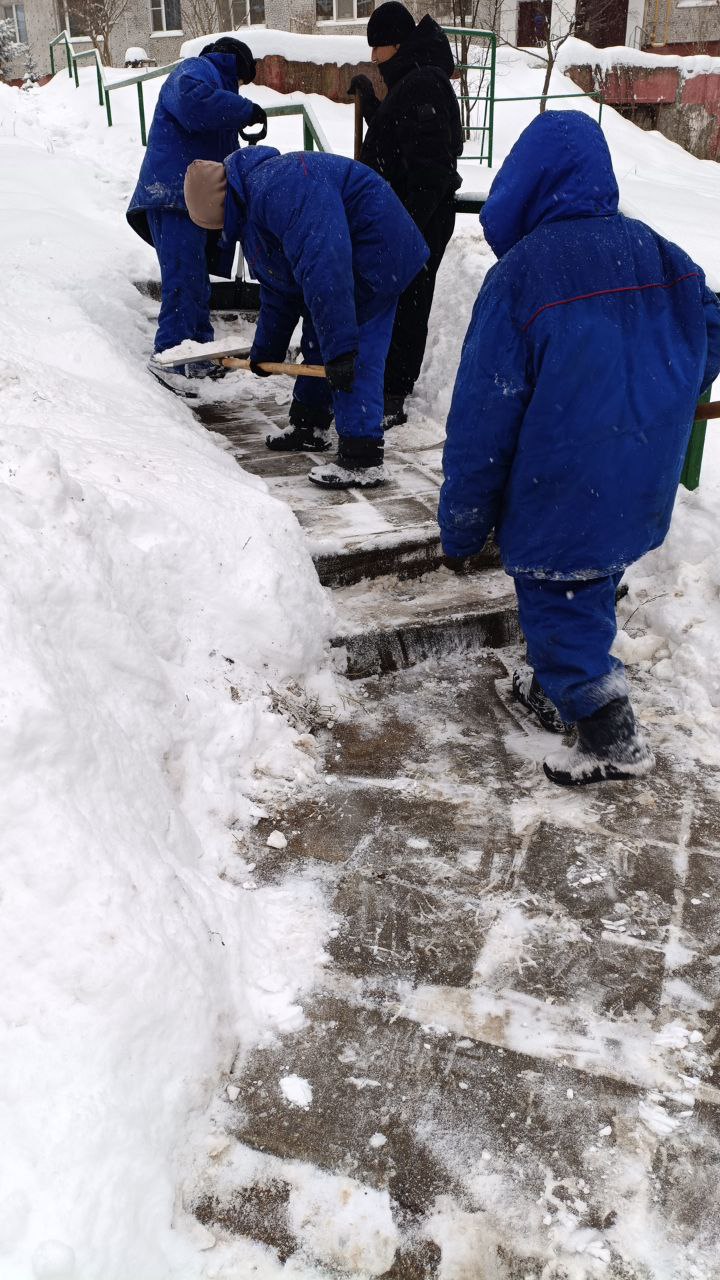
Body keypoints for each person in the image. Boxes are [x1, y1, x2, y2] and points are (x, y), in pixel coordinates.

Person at [438, 110, 720, 786]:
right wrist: (666, 394)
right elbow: (709, 327)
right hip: (638, 479)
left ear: (525, 184)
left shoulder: (522, 276)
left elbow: (484, 415)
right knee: (589, 584)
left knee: (558, 602)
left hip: (562, 489)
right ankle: (555, 684)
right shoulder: (660, 252)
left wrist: (464, 525)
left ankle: (608, 732)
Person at [183, 146, 429, 489]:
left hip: (378, 251)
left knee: (353, 346)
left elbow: (324, 264)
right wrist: (266, 351)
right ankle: (309, 426)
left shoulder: (281, 188)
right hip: (342, 256)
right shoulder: (255, 204)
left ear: (222, 207)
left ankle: (363, 457)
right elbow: (279, 287)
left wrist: (342, 350)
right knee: (321, 329)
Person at [126, 38, 266, 387]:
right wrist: (244, 109)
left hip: (188, 197)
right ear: (235, 65)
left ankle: (199, 353)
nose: (238, 89)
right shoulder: (196, 70)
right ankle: (171, 356)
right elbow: (191, 104)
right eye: (242, 80)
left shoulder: (211, 83)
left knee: (195, 281)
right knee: (184, 279)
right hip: (172, 195)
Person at [348, 3, 463, 428]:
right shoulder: (415, 81)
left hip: (420, 217)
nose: (375, 57)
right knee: (400, 298)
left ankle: (394, 393)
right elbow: (402, 140)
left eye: (378, 47)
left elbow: (431, 168)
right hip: (410, 214)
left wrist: (406, 229)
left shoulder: (424, 84)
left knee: (409, 302)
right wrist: (373, 102)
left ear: (397, 42)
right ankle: (387, 384)